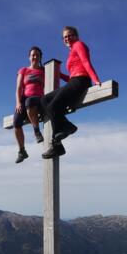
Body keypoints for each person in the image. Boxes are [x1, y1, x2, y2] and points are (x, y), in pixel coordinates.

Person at [41, 26, 101, 159]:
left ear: (76, 36)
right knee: (44, 100)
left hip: (82, 80)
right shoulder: (71, 52)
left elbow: (86, 62)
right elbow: (71, 76)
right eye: (65, 37)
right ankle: (66, 129)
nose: (67, 38)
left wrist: (95, 79)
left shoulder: (79, 45)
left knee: (52, 106)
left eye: (70, 35)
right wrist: (59, 74)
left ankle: (59, 141)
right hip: (74, 80)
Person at [13, 46, 46, 163]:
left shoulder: (44, 70)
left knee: (30, 102)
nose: (35, 57)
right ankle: (22, 151)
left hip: (39, 98)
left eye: (37, 55)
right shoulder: (23, 70)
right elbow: (18, 88)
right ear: (29, 57)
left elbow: (57, 75)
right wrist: (17, 102)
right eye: (33, 55)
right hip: (24, 98)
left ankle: (36, 131)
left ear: (40, 57)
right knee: (16, 122)